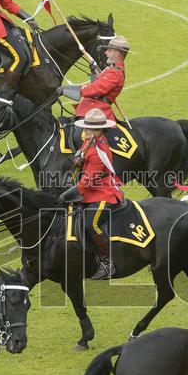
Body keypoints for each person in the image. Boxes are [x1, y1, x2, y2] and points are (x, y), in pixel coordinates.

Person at [65, 109, 123, 280]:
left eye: (89, 128)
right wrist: (78, 157)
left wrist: (67, 194)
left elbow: (87, 182)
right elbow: (82, 152)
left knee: (92, 224)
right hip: (92, 189)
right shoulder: (90, 139)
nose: (85, 131)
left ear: (99, 130)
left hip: (104, 193)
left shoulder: (99, 151)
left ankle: (108, 263)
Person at [57, 34, 130, 123]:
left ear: (117, 53)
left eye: (109, 50)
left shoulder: (115, 72)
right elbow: (99, 84)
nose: (106, 52)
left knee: (78, 136)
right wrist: (95, 73)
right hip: (91, 108)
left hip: (96, 111)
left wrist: (70, 89)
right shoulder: (112, 69)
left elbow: (95, 90)